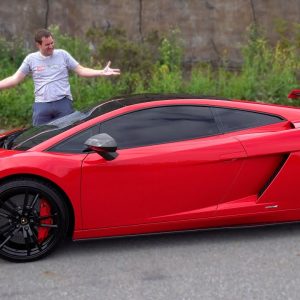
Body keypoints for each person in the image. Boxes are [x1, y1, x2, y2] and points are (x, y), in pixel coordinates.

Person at [0, 29, 120, 126]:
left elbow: (81, 70)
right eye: (47, 44)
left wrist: (100, 72)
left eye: (52, 43)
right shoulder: (31, 59)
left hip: (63, 103)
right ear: (38, 45)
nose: (51, 46)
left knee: (68, 136)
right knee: (38, 139)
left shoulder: (63, 54)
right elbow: (15, 79)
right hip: (42, 105)